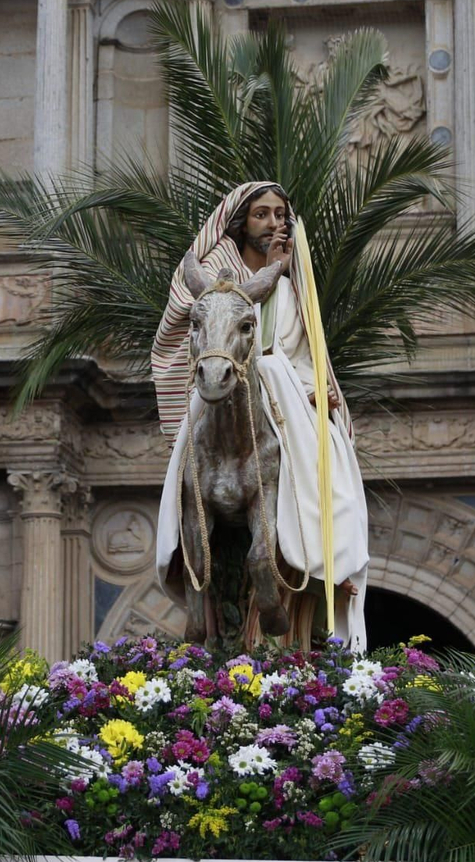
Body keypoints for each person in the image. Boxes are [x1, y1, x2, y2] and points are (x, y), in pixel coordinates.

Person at [153, 181, 372, 649]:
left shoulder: (292, 293)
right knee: (192, 450)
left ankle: (328, 558)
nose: (273, 222)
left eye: (280, 215)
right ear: (240, 223)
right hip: (223, 380)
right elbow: (193, 324)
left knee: (328, 456)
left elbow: (298, 355)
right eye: (262, 214)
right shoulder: (218, 277)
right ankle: (181, 547)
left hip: (282, 402)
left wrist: (316, 392)